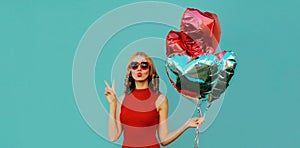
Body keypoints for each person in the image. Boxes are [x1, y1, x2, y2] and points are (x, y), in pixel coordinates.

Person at [104, 52, 204, 148]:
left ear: (150, 70)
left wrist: (186, 124)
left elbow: (164, 140)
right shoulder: (122, 100)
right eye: (134, 65)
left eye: (143, 65)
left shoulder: (160, 100)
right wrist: (112, 104)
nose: (139, 69)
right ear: (130, 70)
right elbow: (113, 137)